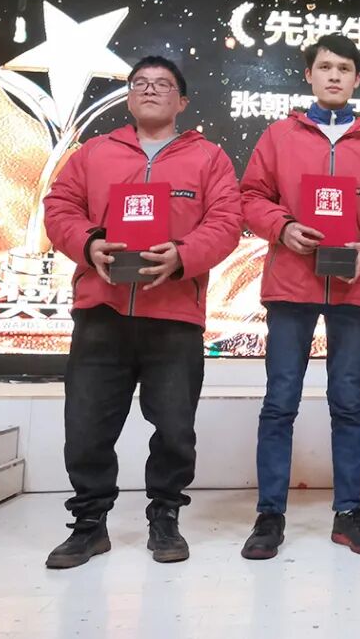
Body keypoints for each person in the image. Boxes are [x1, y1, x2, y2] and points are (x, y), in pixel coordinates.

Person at [42, 55, 243, 568]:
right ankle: (89, 524)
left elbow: (226, 221)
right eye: (140, 83)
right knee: (87, 425)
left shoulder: (209, 158)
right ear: (129, 96)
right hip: (101, 311)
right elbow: (59, 207)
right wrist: (89, 244)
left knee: (175, 427)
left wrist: (183, 256)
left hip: (174, 317)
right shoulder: (94, 152)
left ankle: (165, 516)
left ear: (183, 101)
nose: (150, 90)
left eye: (163, 84)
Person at [238, 33, 360, 558]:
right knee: (280, 401)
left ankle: (348, 512)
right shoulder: (279, 135)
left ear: (357, 79)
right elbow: (251, 196)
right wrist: (283, 227)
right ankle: (270, 514)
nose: (334, 75)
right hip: (292, 283)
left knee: (348, 402)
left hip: (354, 283)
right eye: (325, 67)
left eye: (344, 68)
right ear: (309, 75)